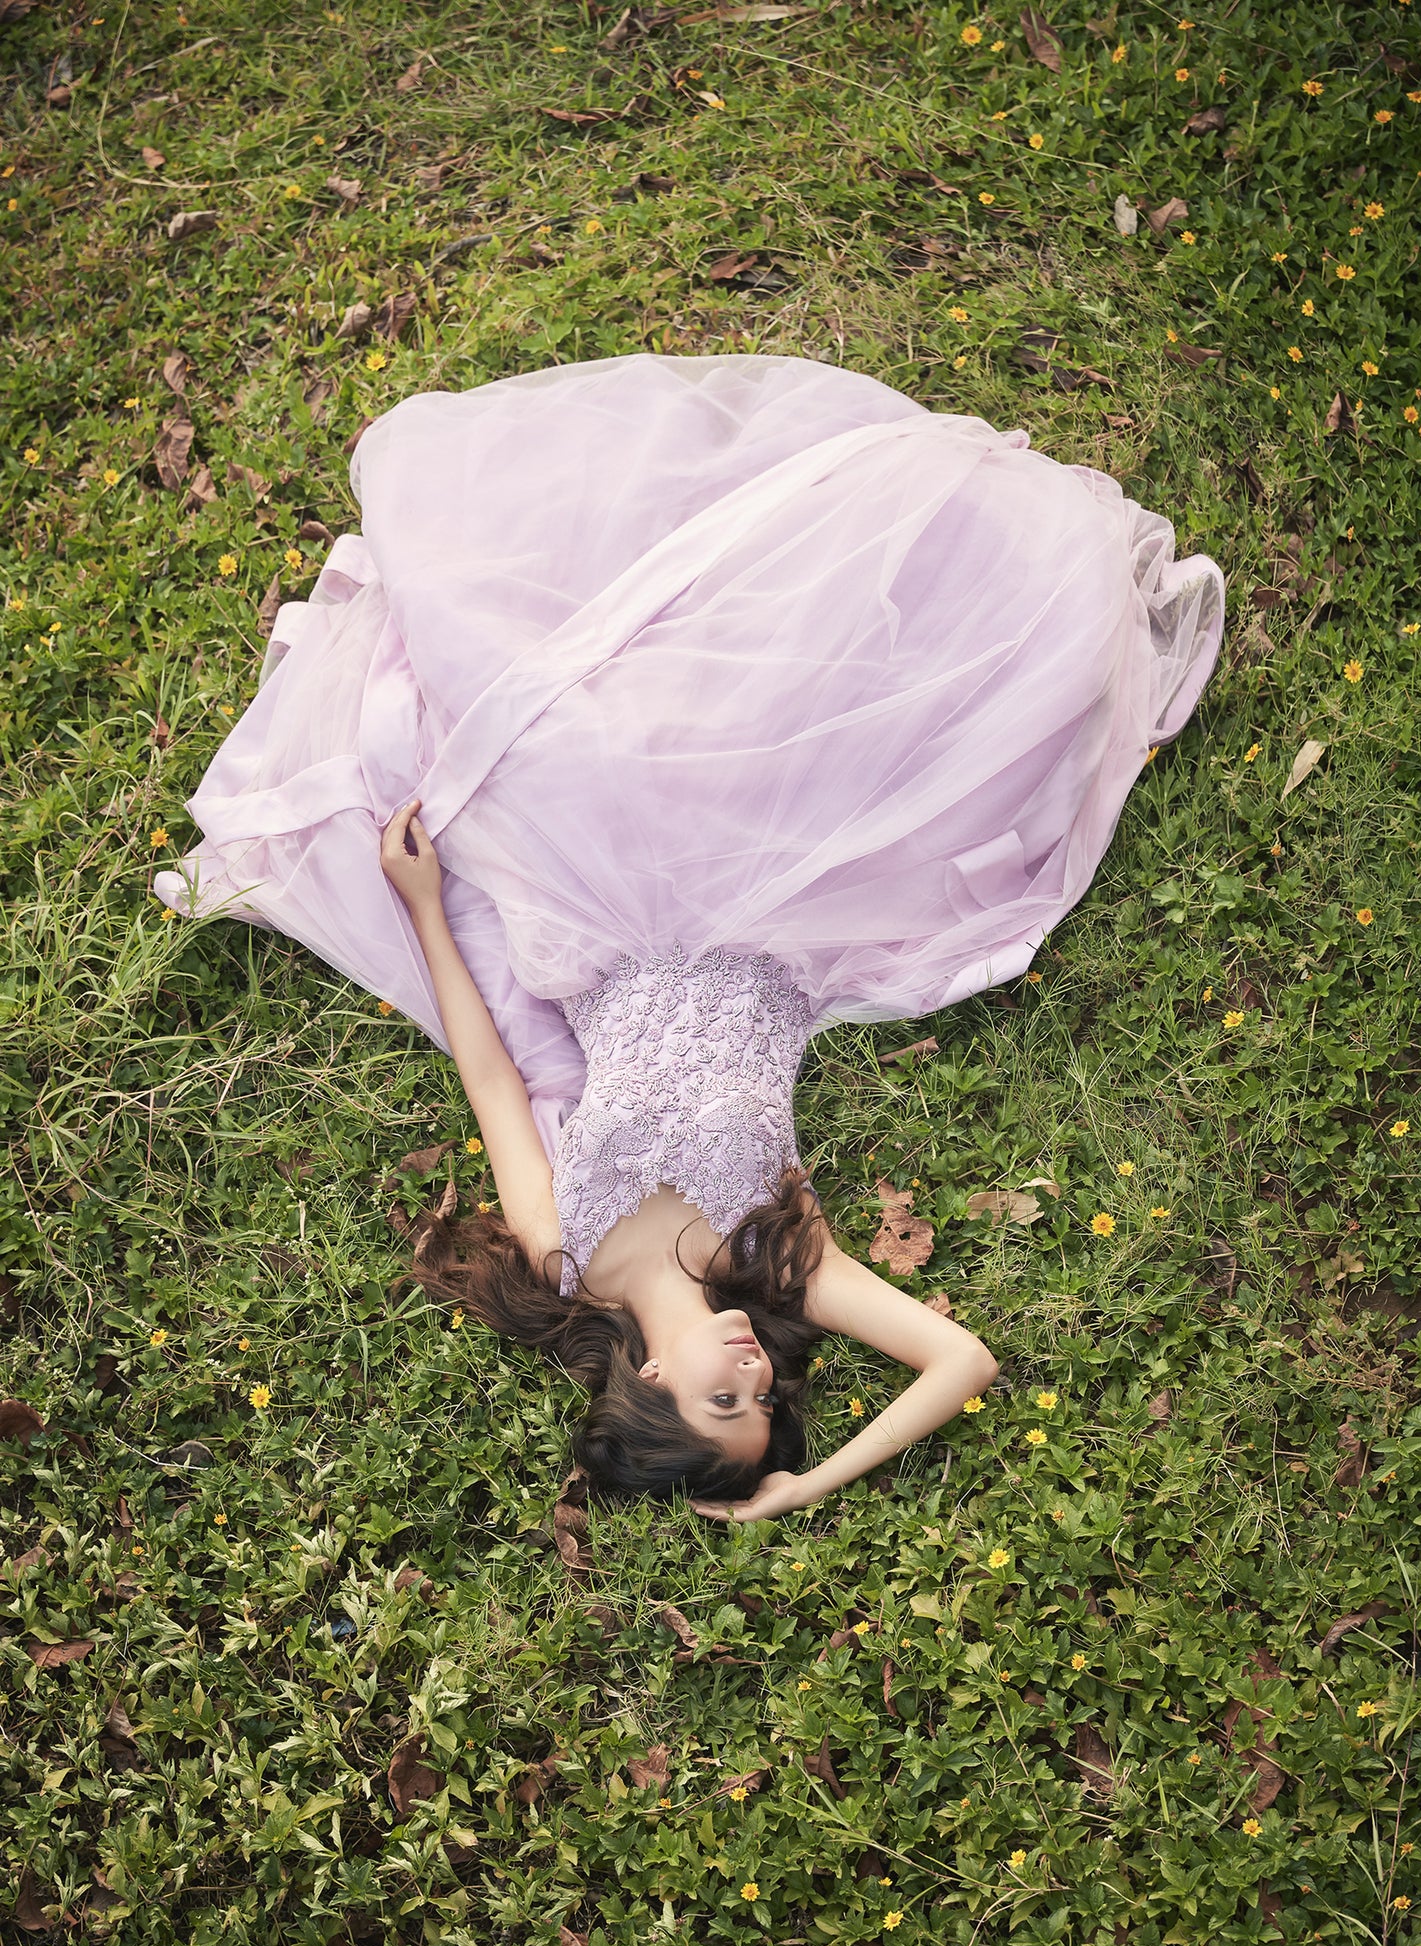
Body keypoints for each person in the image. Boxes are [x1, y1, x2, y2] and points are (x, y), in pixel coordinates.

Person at [156, 350, 1226, 1520]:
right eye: (764, 1395)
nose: (754, 1370)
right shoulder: (778, 1263)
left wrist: (421, 906)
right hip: (787, 912)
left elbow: (494, 1084)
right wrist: (801, 1483)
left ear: (652, 1380)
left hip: (612, 907)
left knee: (583, 721)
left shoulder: (560, 1249)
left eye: (729, 1400)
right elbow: (960, 1359)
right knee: (982, 702)